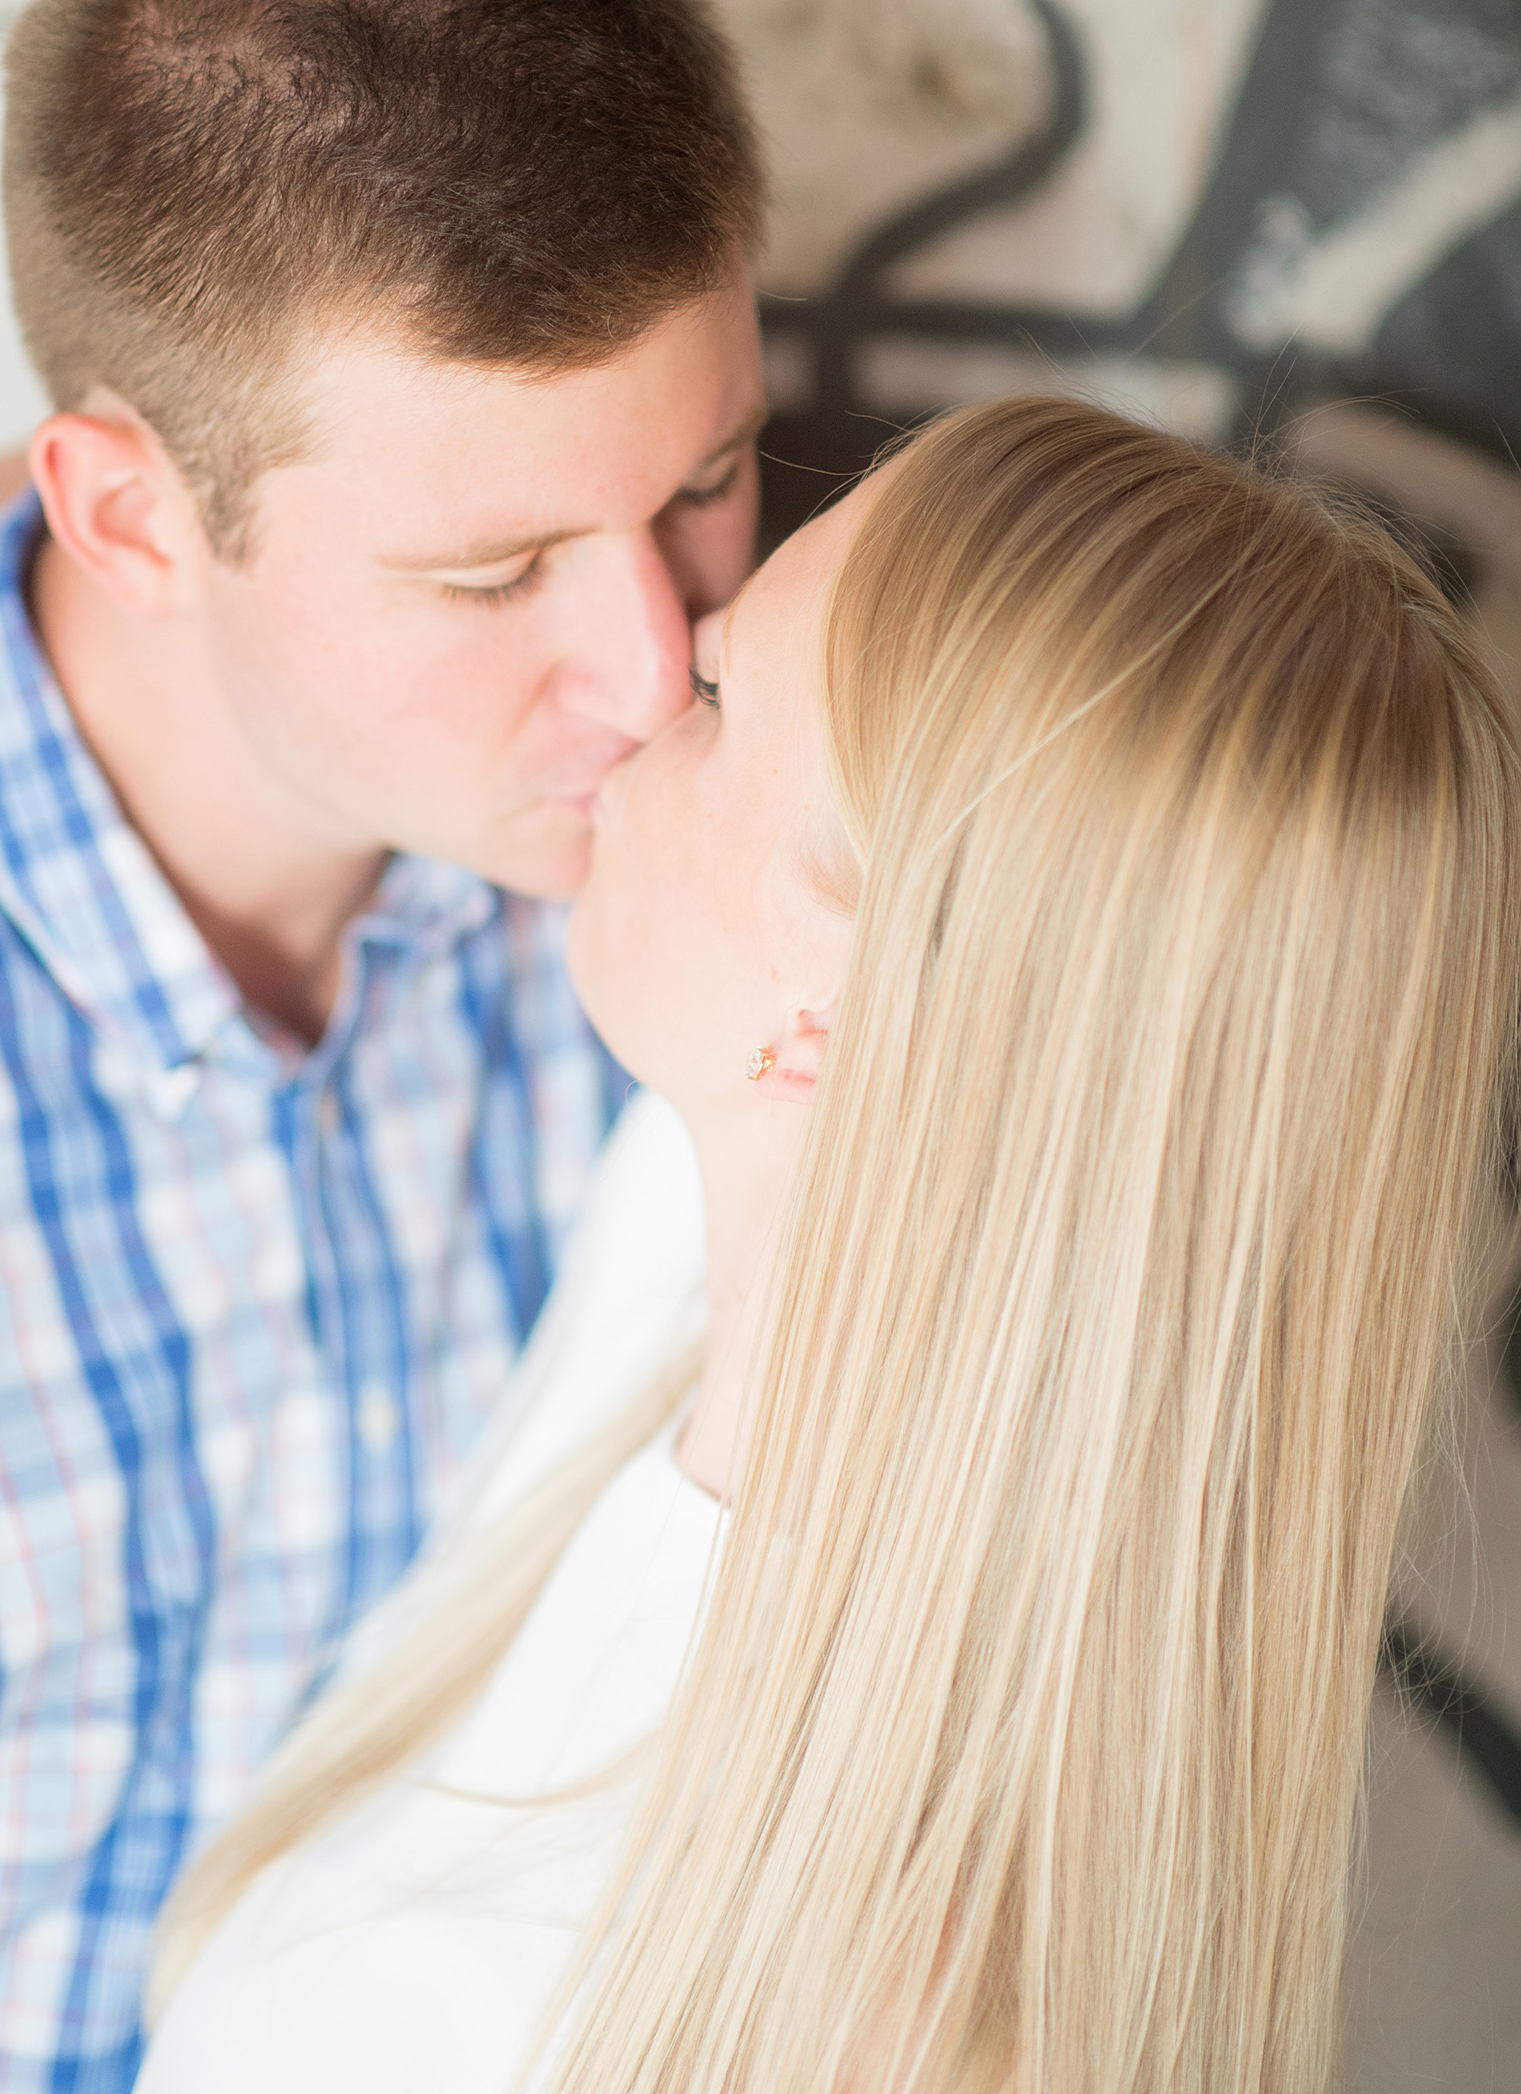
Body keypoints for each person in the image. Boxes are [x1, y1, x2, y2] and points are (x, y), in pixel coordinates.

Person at [134, 396, 1518, 2094]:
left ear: (849, 1014)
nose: (640, 697)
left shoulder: (599, 2009)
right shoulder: (708, 1225)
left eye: (715, 698)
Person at [0, 0, 767, 2090]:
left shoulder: (696, 871)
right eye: (489, 573)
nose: (653, 674)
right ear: (130, 514)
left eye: (708, 483)